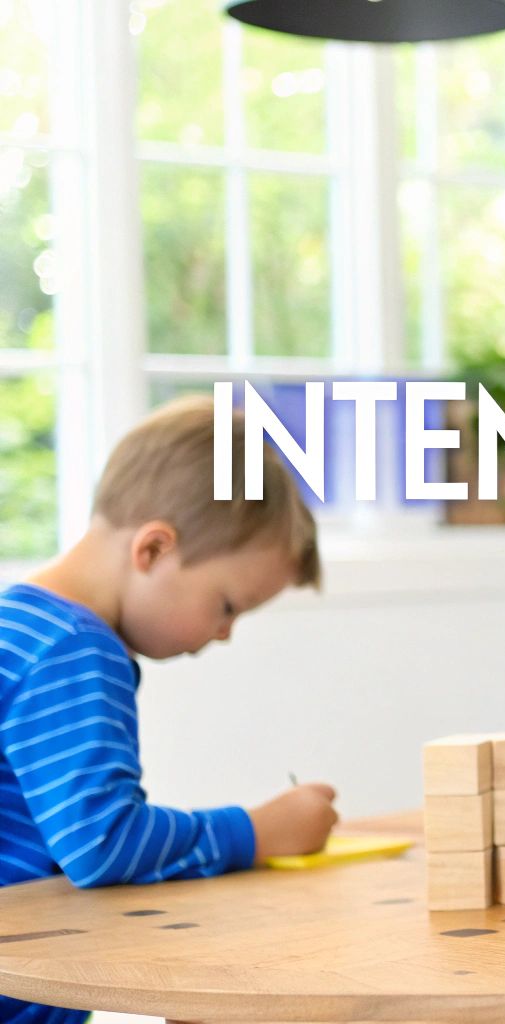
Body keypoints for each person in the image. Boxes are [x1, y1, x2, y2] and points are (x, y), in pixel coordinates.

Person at [0, 397, 340, 1024]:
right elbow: (103, 845)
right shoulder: (74, 650)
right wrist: (259, 831)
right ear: (154, 549)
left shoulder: (20, 626)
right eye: (228, 606)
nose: (224, 634)